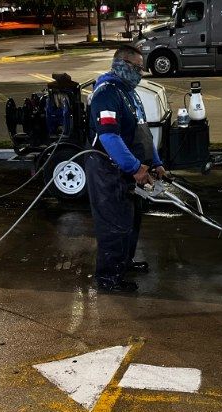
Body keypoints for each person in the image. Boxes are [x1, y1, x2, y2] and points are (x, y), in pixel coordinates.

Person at [84, 45, 166, 294]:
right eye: (137, 67)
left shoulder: (130, 93)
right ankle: (108, 278)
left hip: (130, 171)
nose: (141, 73)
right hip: (108, 171)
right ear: (121, 64)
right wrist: (134, 167)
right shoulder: (106, 94)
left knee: (131, 221)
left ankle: (124, 264)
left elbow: (143, 133)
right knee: (114, 225)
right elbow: (109, 137)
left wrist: (156, 161)